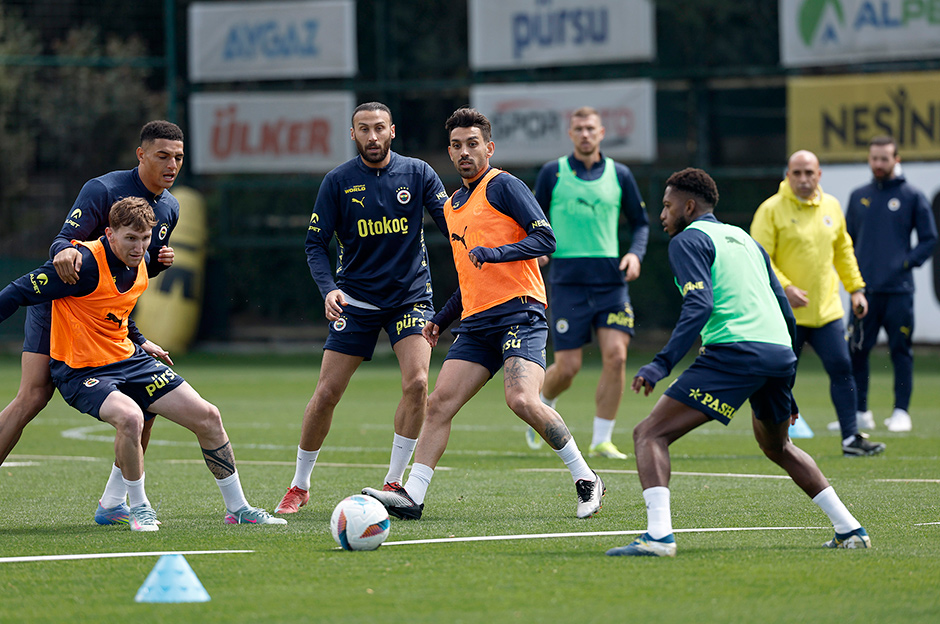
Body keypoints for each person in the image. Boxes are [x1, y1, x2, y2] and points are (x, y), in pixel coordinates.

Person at [606, 168, 871, 557]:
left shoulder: (687, 241)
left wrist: (660, 364)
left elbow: (700, 303)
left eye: (667, 205)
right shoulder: (745, 240)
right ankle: (850, 529)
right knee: (778, 447)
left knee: (649, 434)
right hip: (779, 354)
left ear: (689, 206)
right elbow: (783, 308)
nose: (662, 214)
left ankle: (659, 537)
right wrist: (786, 380)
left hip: (735, 353)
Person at [362, 107, 604, 520]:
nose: (464, 152)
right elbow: (469, 276)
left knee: (522, 400)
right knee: (438, 404)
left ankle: (586, 478)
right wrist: (441, 318)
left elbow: (546, 238)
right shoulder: (454, 204)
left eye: (472, 144)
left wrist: (497, 253)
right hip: (476, 323)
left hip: (520, 314)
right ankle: (413, 496)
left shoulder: (504, 185)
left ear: (488, 147)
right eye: (456, 146)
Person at [0, 198, 284, 530]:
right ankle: (139, 507)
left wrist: (141, 340)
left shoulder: (143, 260)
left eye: (145, 238)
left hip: (129, 359)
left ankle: (238, 508)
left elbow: (115, 310)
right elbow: (15, 293)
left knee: (209, 416)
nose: (139, 247)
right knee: (131, 417)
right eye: (130, 239)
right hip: (83, 371)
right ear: (109, 233)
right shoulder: (83, 265)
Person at [0, 120, 188, 525]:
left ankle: (114, 501)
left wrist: (156, 263)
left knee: (145, 403)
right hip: (59, 304)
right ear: (141, 155)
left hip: (105, 318)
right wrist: (64, 252)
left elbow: (128, 274)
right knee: (33, 396)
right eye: (163, 156)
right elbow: (63, 241)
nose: (171, 165)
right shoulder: (103, 189)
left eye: (178, 157)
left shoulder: (170, 207)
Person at [274, 102, 450, 514]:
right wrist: (328, 290)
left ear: (393, 131)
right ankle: (299, 485)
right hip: (355, 300)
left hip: (411, 297)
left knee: (419, 383)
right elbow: (315, 244)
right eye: (363, 129)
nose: (372, 137)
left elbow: (454, 224)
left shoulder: (419, 173)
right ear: (352, 134)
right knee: (326, 394)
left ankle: (394, 481)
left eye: (379, 128)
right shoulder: (337, 181)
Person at [527, 106, 650, 459]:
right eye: (578, 128)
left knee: (616, 356)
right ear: (570, 134)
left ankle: (601, 439)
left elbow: (641, 223)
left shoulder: (620, 174)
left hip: (611, 282)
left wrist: (636, 254)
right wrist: (540, 248)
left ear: (601, 133)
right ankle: (541, 406)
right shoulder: (554, 173)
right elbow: (534, 218)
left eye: (590, 128)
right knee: (568, 368)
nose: (584, 134)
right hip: (567, 281)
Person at [750, 150, 885, 457]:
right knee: (780, 378)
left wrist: (856, 289)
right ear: (787, 175)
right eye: (796, 173)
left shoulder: (832, 206)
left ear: (819, 175)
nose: (803, 179)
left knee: (842, 369)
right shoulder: (771, 210)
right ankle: (775, 440)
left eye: (809, 173)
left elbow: (843, 251)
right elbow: (760, 258)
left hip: (826, 312)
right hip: (786, 314)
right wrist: (785, 288)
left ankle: (851, 438)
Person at [844, 136, 938, 433]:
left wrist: (905, 263)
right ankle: (860, 412)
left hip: (899, 291)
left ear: (897, 159)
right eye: (874, 158)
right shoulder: (859, 196)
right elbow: (846, 242)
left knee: (900, 350)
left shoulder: (912, 196)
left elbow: (929, 239)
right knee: (856, 350)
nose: (879, 164)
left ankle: (901, 412)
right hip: (864, 292)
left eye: (885, 158)